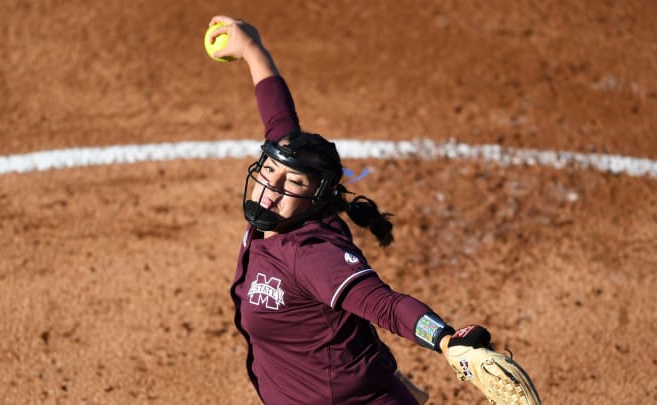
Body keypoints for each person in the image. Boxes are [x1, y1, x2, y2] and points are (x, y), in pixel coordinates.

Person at [206, 16, 494, 404]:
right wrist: (252, 49)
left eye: (291, 184)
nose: (269, 191)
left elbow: (385, 305)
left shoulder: (311, 256)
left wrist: (445, 340)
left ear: (315, 198)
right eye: (269, 171)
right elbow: (279, 119)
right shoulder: (287, 211)